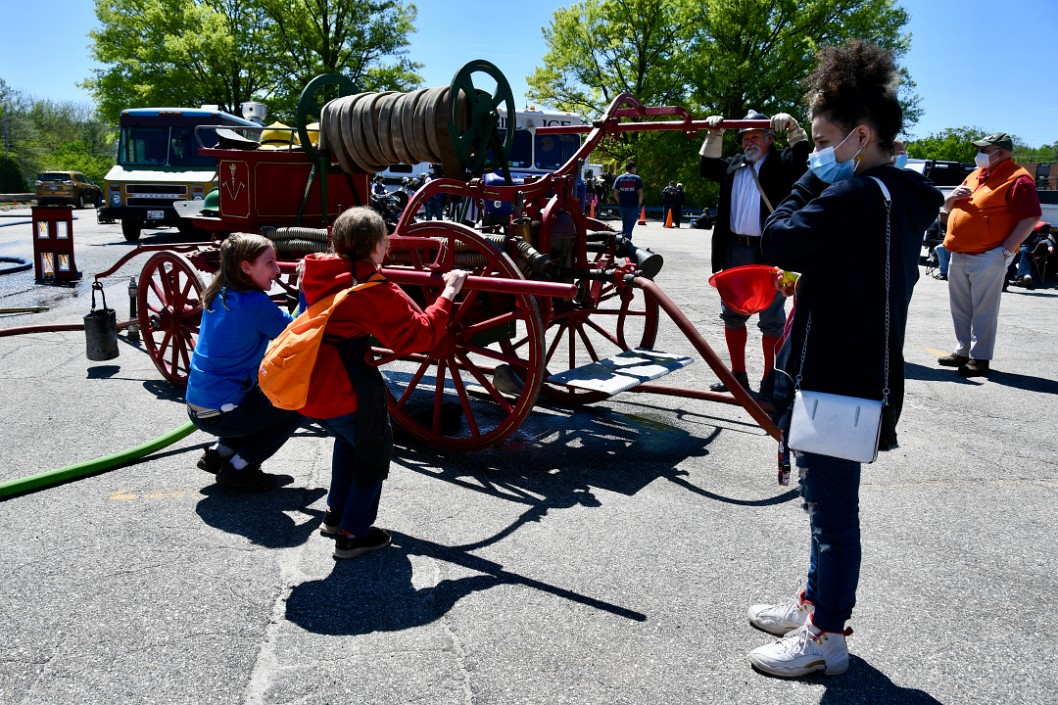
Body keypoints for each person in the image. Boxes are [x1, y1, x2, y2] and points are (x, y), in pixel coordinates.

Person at [754, 40, 943, 678]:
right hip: (860, 370)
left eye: (823, 140)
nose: (816, 152)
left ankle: (826, 637)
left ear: (859, 137)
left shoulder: (856, 197)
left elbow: (776, 232)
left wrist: (812, 177)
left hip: (837, 377)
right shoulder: (900, 195)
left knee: (832, 513)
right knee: (822, 503)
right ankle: (815, 603)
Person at [297, 207, 468, 560]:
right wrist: (448, 293)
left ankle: (335, 514)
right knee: (374, 448)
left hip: (308, 383)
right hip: (345, 386)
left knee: (350, 441)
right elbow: (419, 336)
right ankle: (352, 534)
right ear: (379, 246)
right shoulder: (374, 290)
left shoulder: (318, 271)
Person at [699, 108, 810, 393]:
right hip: (735, 249)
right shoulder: (735, 165)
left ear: (770, 139)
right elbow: (708, 167)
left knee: (773, 320)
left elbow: (802, 159)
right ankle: (738, 375)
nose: (749, 143)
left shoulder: (782, 162)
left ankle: (770, 378)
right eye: (745, 137)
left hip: (774, 252)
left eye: (756, 136)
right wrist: (714, 135)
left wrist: (794, 129)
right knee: (732, 314)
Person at [186, 233, 304, 490]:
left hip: (198, 408)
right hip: (222, 415)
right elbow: (301, 335)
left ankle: (220, 453)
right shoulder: (257, 303)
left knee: (259, 396)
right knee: (299, 404)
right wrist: (306, 292)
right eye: (270, 263)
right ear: (246, 267)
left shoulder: (218, 294)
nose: (277, 270)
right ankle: (241, 468)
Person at [936, 131, 1041, 377]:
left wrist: (1005, 251)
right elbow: (948, 207)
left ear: (1001, 153)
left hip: (989, 255)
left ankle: (979, 358)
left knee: (984, 309)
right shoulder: (975, 175)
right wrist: (950, 199)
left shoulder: (1018, 178)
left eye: (985, 150)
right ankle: (962, 351)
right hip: (959, 251)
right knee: (960, 307)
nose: (980, 154)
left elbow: (1031, 216)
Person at [1012, 221, 1054, 289]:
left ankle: (1025, 276)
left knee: (1023, 251)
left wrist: (1049, 246)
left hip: (1030, 249)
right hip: (1013, 249)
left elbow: (1045, 239)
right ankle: (1017, 276)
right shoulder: (1017, 226)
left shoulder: (1037, 228)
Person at [612, 160, 644, 238]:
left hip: (623, 205)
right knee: (629, 227)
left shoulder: (619, 178)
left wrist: (620, 201)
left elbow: (615, 194)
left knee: (625, 225)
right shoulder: (637, 178)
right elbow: (640, 194)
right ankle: (626, 243)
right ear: (632, 168)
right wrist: (638, 204)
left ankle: (622, 241)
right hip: (633, 206)